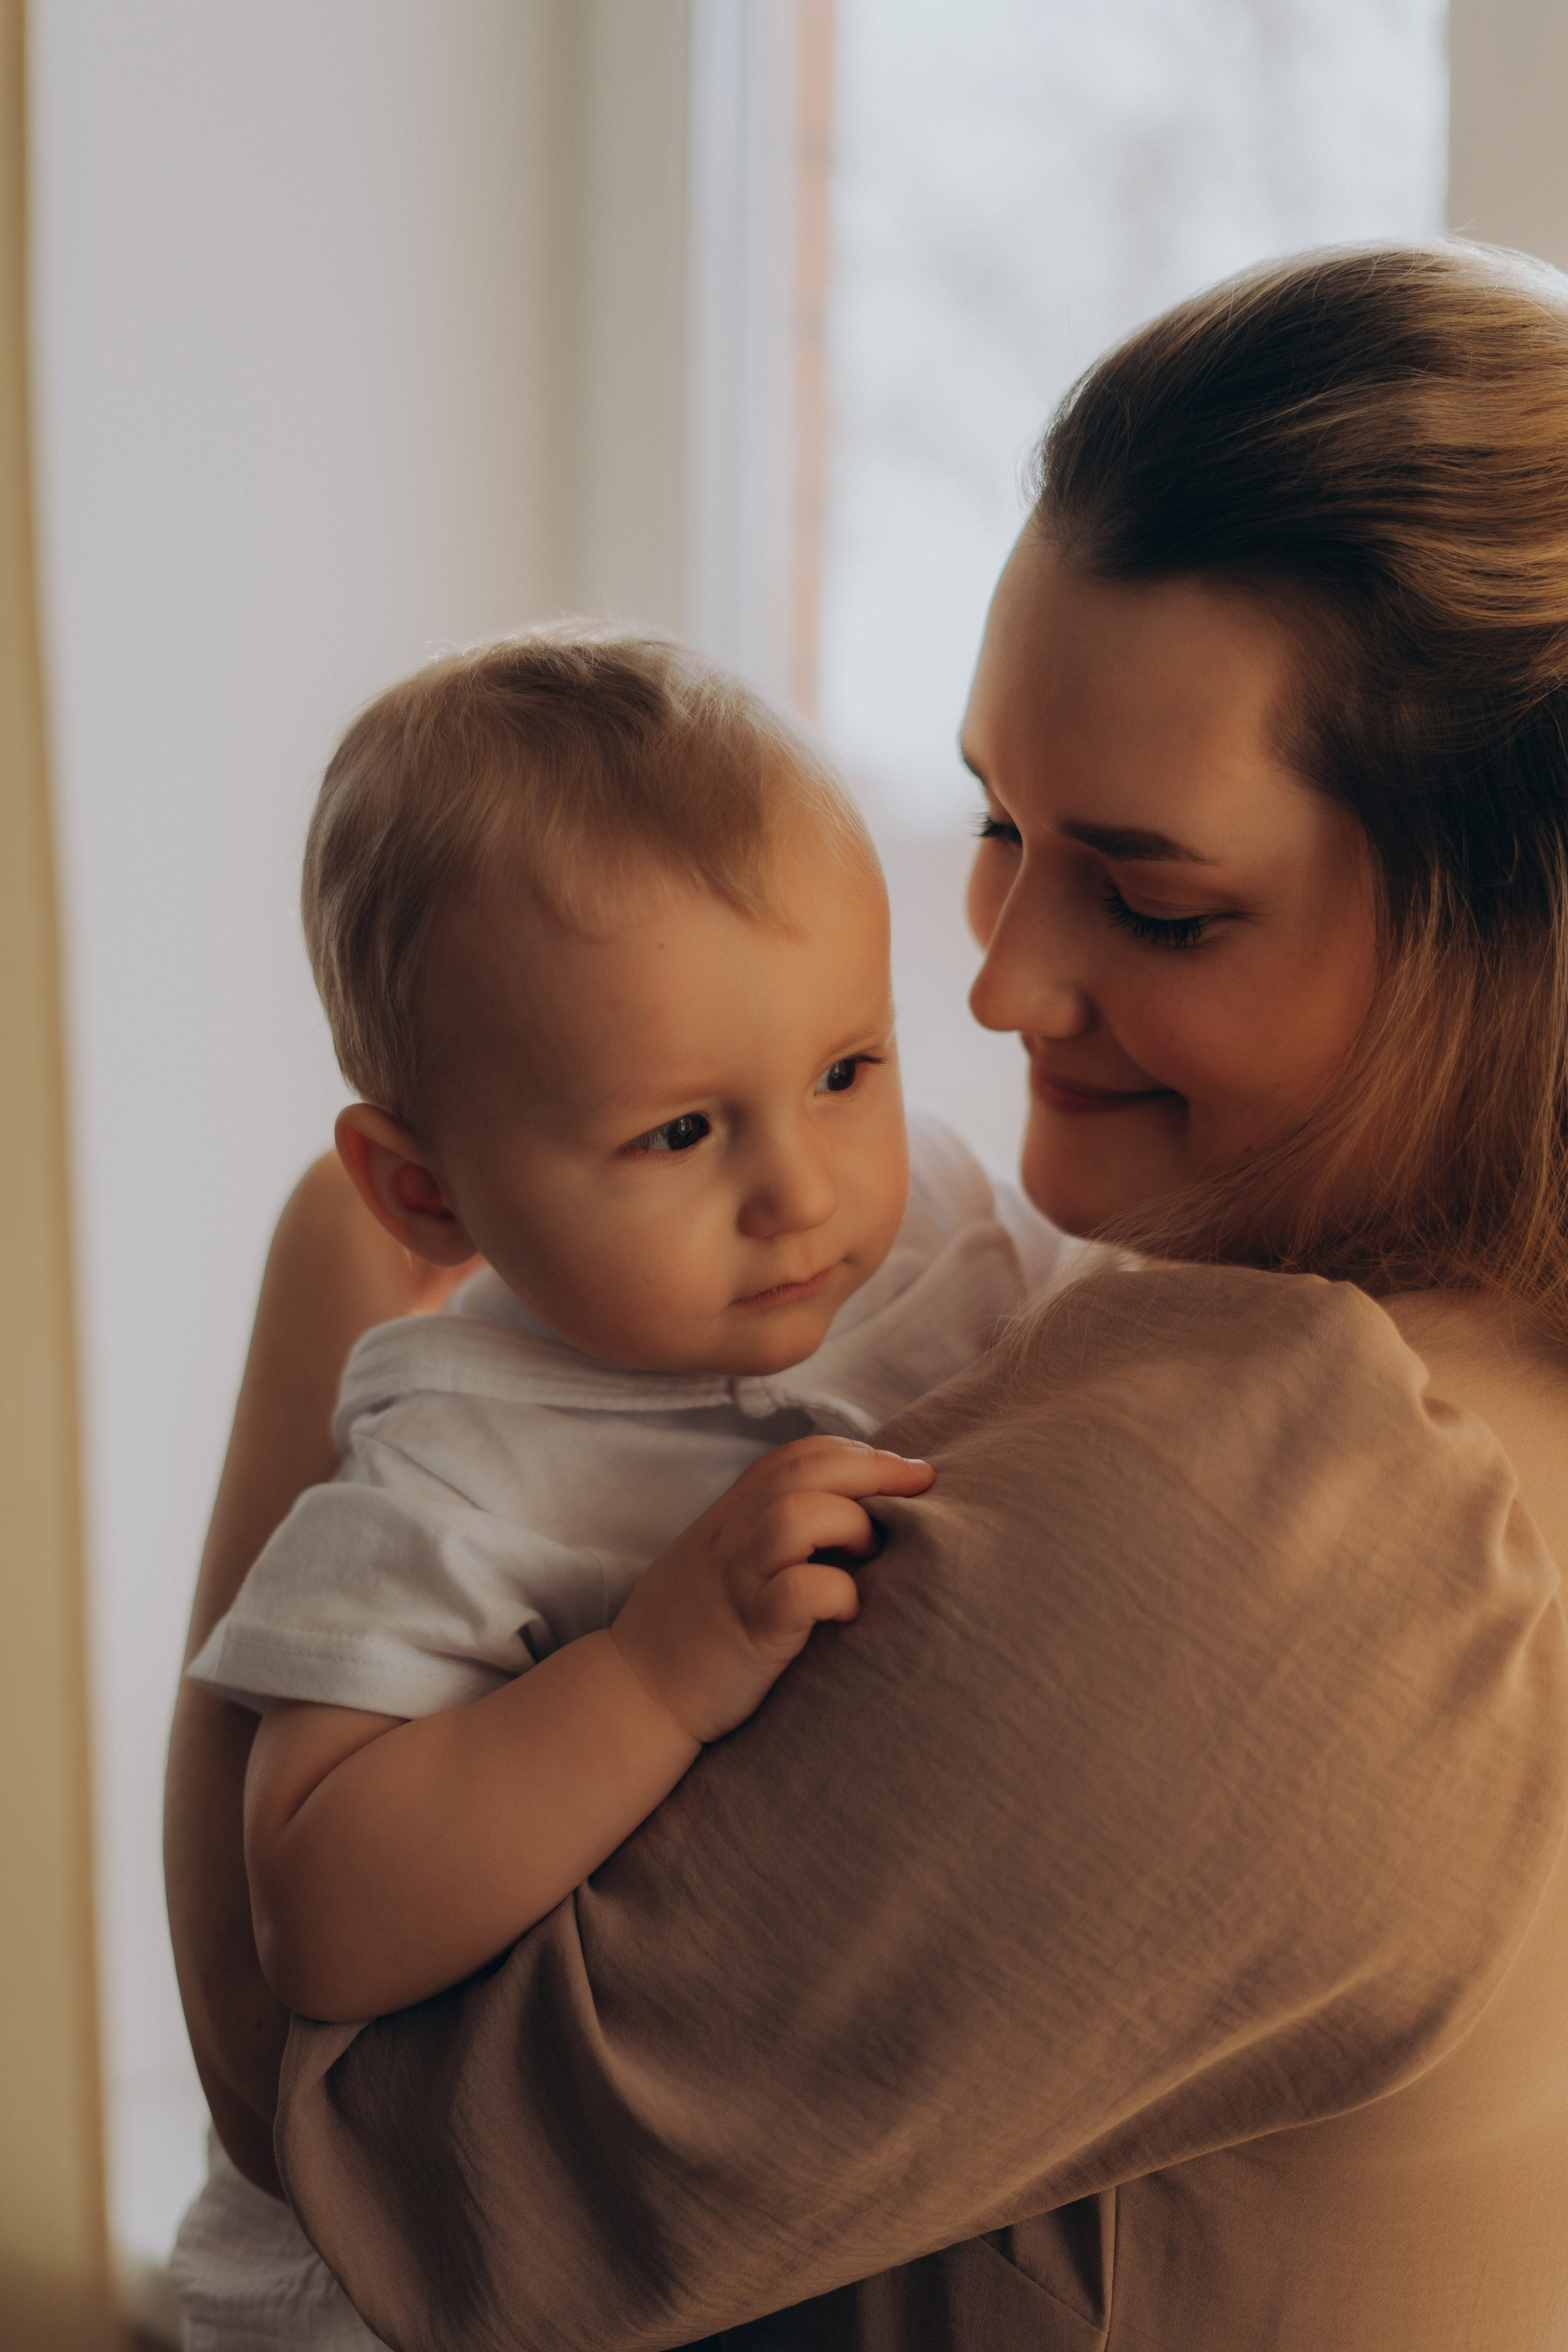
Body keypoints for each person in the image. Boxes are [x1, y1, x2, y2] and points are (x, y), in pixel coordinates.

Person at [166, 242, 1568, 2350]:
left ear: (1514, 943)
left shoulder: (1300, 1501)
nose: (999, 980)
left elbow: (382, 2153)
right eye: (998, 823)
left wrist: (352, 1280)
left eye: (1162, 904)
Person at [168, 627, 1068, 2350]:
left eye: (843, 1070)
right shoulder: (453, 1459)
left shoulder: (946, 1225)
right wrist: (645, 1676)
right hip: (384, 2298)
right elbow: (314, 1913)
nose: (801, 1190)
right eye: (679, 1135)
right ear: (422, 1192)